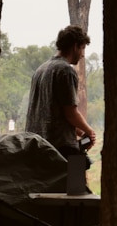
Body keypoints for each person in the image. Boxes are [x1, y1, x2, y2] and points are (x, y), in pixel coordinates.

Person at [25, 25, 97, 158]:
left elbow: (56, 115)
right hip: (60, 149)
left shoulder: (40, 70)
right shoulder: (65, 70)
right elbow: (70, 113)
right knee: (74, 179)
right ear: (75, 46)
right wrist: (90, 132)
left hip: (37, 145)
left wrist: (82, 133)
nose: (82, 55)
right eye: (82, 48)